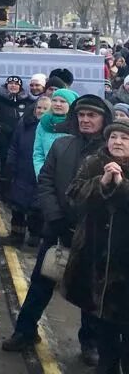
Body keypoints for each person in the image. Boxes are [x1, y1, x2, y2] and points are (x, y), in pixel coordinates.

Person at [1, 95, 111, 363]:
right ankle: (25, 331)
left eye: (91, 116)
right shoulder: (62, 145)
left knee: (91, 291)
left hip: (94, 233)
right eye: (81, 115)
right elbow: (47, 182)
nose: (85, 120)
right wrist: (56, 218)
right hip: (58, 229)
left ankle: (90, 343)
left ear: (103, 119)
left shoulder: (110, 152)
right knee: (41, 282)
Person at [63, 116, 129, 373]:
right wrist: (99, 183)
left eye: (124, 138)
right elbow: (74, 197)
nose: (118, 141)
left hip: (125, 260)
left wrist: (121, 186)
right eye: (113, 137)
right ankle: (106, 365)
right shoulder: (93, 162)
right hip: (96, 255)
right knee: (103, 322)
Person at [5, 94, 46, 248]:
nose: (41, 111)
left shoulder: (51, 129)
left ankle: (35, 236)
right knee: (18, 206)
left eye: (45, 108)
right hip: (22, 170)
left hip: (40, 173)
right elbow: (14, 145)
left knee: (37, 208)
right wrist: (11, 163)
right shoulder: (24, 124)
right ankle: (16, 236)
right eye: (39, 107)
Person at [32, 87, 78, 176]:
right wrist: (41, 175)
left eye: (62, 101)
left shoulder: (77, 124)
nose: (57, 104)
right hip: (47, 176)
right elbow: (38, 153)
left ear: (71, 104)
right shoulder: (44, 123)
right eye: (54, 100)